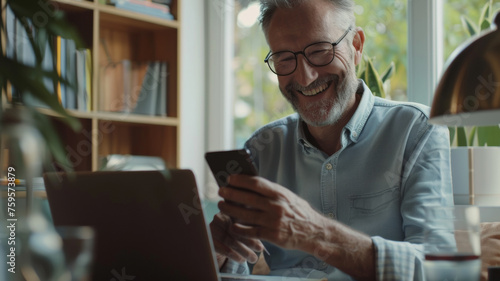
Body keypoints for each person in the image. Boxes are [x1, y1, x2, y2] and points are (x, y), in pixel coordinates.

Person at [209, 0, 453, 280]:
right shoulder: (262, 148)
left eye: (321, 51)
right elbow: (240, 267)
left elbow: (440, 270)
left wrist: (317, 234)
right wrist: (217, 255)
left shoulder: (416, 131)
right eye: (285, 59)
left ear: (357, 46)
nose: (305, 76)